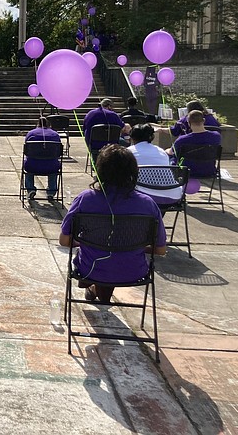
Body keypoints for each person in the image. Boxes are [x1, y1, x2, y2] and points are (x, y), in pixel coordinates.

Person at [60, 145, 167, 303]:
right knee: (114, 259)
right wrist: (130, 245)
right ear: (133, 171)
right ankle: (100, 292)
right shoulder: (148, 204)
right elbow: (160, 250)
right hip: (134, 272)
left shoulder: (86, 199)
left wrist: (88, 244)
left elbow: (64, 240)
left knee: (97, 257)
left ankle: (95, 287)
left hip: (90, 269)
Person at [128, 124, 182, 205]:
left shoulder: (128, 152)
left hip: (144, 196)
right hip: (172, 195)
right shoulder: (162, 152)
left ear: (132, 138)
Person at [169, 110, 222, 178]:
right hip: (209, 172)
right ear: (203, 120)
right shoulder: (216, 136)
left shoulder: (182, 140)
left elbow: (174, 154)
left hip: (187, 173)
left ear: (188, 123)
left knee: (169, 156)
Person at [23, 117, 61, 201]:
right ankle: (51, 191)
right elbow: (58, 152)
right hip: (51, 166)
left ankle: (30, 189)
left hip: (32, 166)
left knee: (27, 165)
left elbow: (26, 151)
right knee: (54, 165)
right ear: (48, 124)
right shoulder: (55, 135)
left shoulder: (30, 134)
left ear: (37, 124)